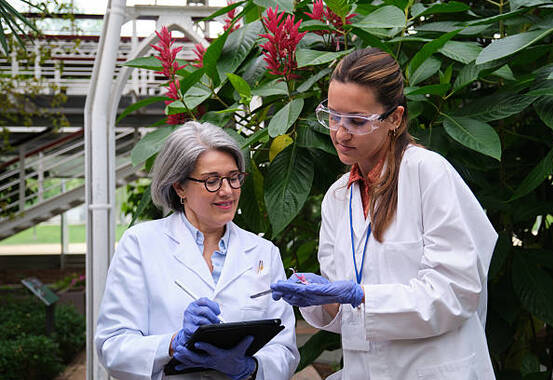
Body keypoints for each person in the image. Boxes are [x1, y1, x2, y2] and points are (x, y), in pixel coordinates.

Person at [271, 48, 498, 380]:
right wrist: (320, 298)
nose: (340, 133)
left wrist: (362, 295)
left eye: (357, 121)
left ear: (395, 118)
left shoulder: (428, 173)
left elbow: (456, 292)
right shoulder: (338, 196)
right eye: (333, 116)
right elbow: (348, 315)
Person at [95, 121, 299, 380]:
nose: (227, 191)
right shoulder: (140, 244)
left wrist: (250, 369)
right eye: (211, 181)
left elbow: (285, 350)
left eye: (234, 177)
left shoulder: (263, 252)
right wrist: (172, 343)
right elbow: (112, 347)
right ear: (179, 187)